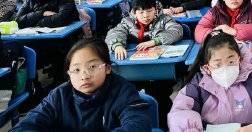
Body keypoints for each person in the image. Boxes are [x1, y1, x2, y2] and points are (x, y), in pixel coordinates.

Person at [12, 38, 151, 132]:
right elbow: (26, 125)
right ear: (69, 73)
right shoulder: (59, 96)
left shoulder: (123, 91)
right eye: (76, 70)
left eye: (92, 66)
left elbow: (138, 124)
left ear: (107, 68)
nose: (84, 76)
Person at [168, 31, 252, 132]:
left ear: (240, 60)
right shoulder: (198, 84)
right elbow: (180, 111)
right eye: (218, 65)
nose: (225, 68)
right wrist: (190, 129)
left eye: (231, 61)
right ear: (208, 68)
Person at [106, 0, 183, 130]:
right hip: (134, 71)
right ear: (134, 13)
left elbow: (177, 30)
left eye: (149, 11)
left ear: (156, 9)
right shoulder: (127, 22)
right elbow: (115, 32)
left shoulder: (164, 19)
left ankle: (164, 126)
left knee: (160, 97)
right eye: (141, 12)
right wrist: (117, 45)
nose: (145, 16)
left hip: (159, 71)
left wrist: (155, 41)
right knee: (128, 97)